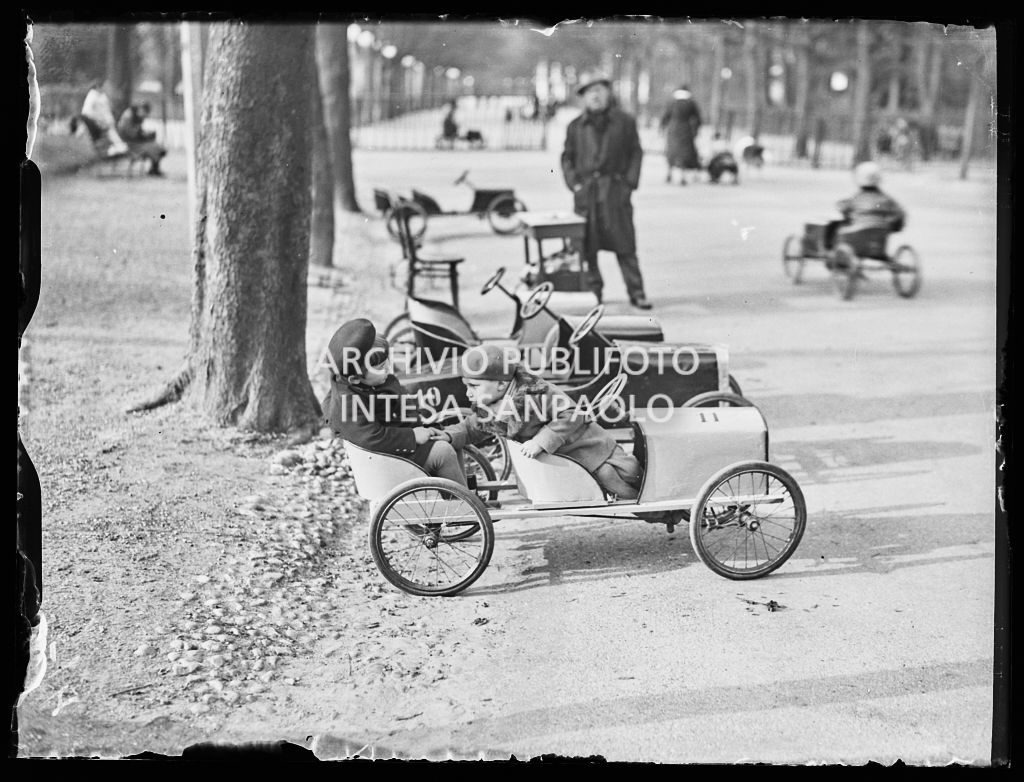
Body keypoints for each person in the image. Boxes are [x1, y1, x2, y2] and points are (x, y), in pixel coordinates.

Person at [439, 344, 643, 500]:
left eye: (474, 386)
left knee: (626, 481)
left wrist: (541, 441)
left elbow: (572, 413)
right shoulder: (494, 404)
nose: (468, 393)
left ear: (501, 384)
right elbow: (473, 426)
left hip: (594, 451)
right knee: (604, 486)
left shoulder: (537, 393)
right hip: (571, 463)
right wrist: (448, 435)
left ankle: (663, 510)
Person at [321, 319, 468, 486]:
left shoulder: (365, 383)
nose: (388, 369)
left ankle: (464, 494)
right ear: (355, 379)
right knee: (444, 452)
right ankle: (463, 505)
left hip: (395, 447)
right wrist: (413, 436)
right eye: (380, 368)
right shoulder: (348, 405)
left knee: (451, 439)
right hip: (387, 461)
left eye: (387, 363)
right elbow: (372, 438)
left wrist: (419, 425)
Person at [561, 73, 652, 310]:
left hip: (615, 193)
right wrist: (575, 185)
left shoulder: (625, 122)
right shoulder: (575, 127)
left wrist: (628, 184)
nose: (595, 95)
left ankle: (637, 292)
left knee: (625, 246)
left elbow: (636, 153)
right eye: (589, 92)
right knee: (587, 247)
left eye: (599, 89)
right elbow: (567, 158)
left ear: (608, 93)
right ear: (584, 98)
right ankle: (594, 291)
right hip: (587, 195)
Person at [836, 161, 906, 233]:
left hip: (854, 240)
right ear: (879, 178)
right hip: (879, 241)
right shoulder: (887, 201)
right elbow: (899, 221)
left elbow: (843, 209)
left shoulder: (854, 201)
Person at [660, 84, 703, 185]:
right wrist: (696, 129)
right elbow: (698, 118)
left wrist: (662, 127)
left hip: (673, 129)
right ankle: (682, 175)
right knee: (685, 152)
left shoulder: (671, 102)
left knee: (672, 151)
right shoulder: (691, 102)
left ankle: (669, 173)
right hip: (685, 129)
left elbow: (666, 116)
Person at [116, 101, 167, 176]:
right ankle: (154, 169)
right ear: (141, 109)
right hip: (128, 143)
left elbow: (138, 131)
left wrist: (146, 135)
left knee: (159, 148)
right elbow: (128, 133)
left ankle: (154, 168)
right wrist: (142, 136)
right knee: (154, 148)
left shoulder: (138, 116)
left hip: (136, 142)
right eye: (144, 113)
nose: (144, 116)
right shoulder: (129, 115)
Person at [79, 80, 128, 156]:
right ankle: (111, 151)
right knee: (108, 138)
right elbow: (87, 112)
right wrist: (99, 122)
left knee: (116, 139)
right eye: (104, 87)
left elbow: (106, 110)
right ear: (99, 86)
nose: (106, 89)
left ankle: (118, 149)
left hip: (108, 123)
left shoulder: (102, 96)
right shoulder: (92, 96)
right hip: (99, 124)